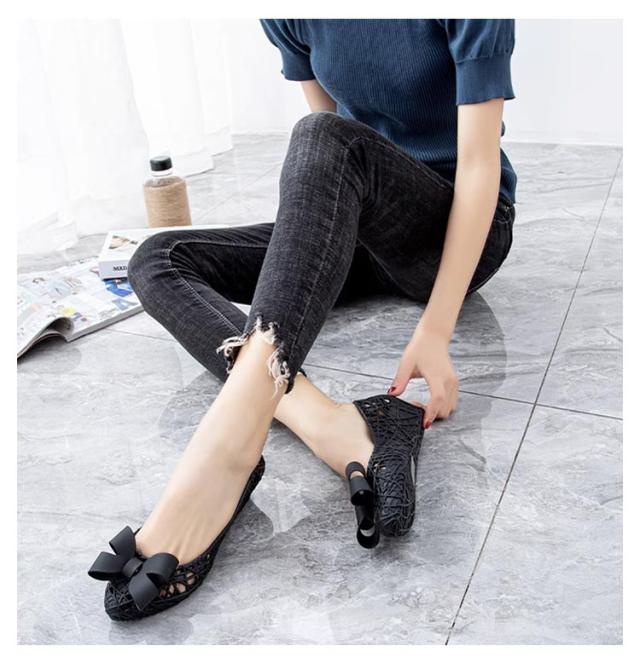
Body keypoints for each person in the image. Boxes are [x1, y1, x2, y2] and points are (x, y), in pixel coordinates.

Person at [88, 18, 517, 620]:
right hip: (362, 222)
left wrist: (437, 328)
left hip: (453, 230)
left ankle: (224, 455)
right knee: (159, 258)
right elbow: (327, 166)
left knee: (321, 135)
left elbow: (476, 164)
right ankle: (333, 427)